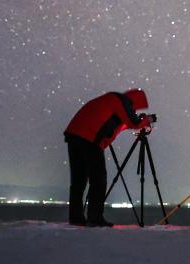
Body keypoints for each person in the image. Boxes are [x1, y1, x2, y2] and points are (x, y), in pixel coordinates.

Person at [63, 88, 152, 226]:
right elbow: (132, 122)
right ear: (133, 101)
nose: (134, 111)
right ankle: (95, 218)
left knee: (78, 181)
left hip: (74, 134)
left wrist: (139, 121)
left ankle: (76, 219)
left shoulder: (111, 100)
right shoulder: (120, 101)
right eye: (134, 109)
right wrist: (147, 120)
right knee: (98, 180)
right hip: (90, 138)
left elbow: (122, 123)